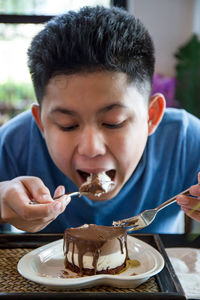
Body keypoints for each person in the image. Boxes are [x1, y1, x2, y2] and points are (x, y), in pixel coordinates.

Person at [0, 6, 199, 234]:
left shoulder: (185, 139)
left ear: (151, 116)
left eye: (113, 122)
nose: (91, 148)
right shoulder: (13, 144)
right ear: (41, 123)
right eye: (68, 125)